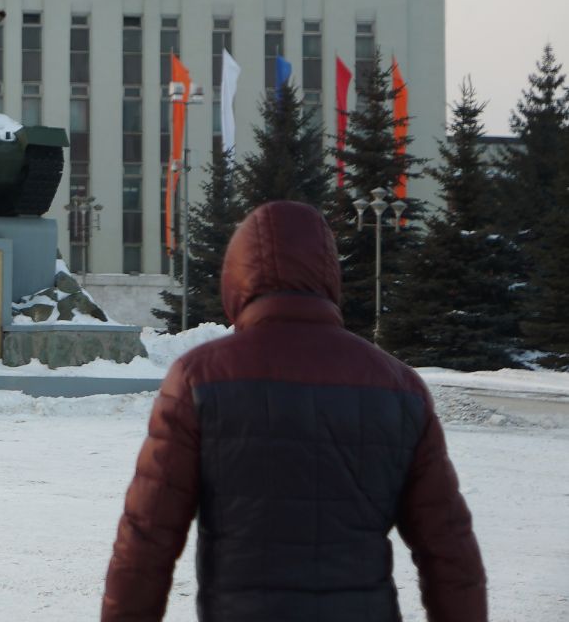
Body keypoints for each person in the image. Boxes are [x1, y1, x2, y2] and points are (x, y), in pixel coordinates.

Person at [101, 201, 487, 622]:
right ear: (328, 275)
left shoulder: (199, 378)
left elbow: (145, 540)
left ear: (237, 278)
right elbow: (450, 551)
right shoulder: (399, 386)